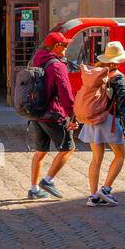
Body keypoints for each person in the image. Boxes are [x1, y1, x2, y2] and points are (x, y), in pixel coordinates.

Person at [25, 32, 77, 200]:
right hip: (54, 114)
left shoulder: (37, 60)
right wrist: (73, 116)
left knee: (40, 151)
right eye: (65, 46)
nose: (67, 49)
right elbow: (66, 95)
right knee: (68, 148)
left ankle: (33, 189)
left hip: (37, 113)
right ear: (56, 47)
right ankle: (48, 180)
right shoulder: (57, 66)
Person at [81, 41, 125, 206]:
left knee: (96, 158)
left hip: (92, 118)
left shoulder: (95, 72)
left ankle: (93, 196)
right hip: (108, 120)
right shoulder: (117, 76)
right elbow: (122, 103)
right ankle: (106, 189)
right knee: (120, 155)